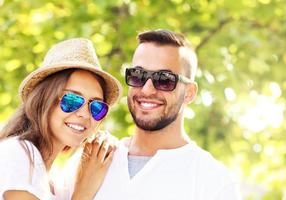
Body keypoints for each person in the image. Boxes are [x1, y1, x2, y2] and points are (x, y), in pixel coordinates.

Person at [60, 29, 240, 200]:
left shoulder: (213, 182)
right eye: (138, 75)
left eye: (164, 80)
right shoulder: (90, 160)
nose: (147, 89)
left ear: (190, 92)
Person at [0, 38, 122, 200]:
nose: (85, 114)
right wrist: (83, 192)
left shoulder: (54, 185)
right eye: (72, 100)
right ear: (44, 99)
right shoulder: (17, 154)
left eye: (96, 107)